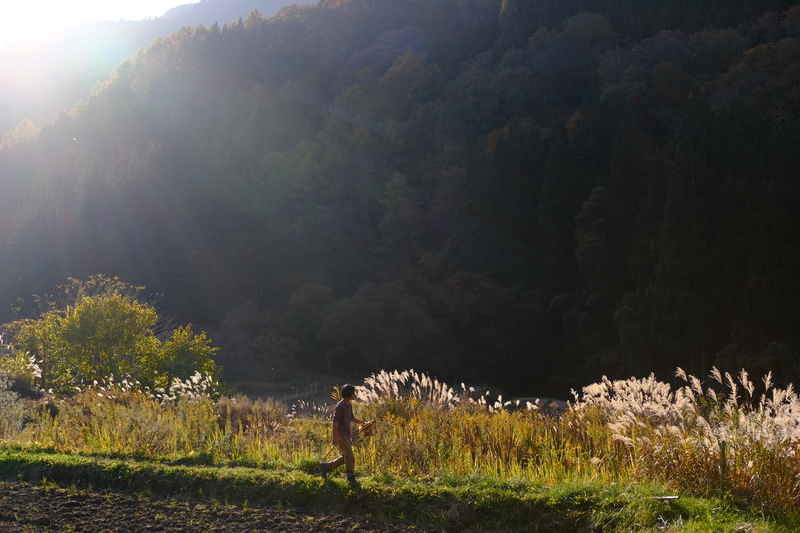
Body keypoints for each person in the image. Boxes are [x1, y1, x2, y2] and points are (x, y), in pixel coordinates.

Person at [319, 384, 368, 487]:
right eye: (353, 393)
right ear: (349, 394)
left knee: (345, 456)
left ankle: (326, 466)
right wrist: (335, 437)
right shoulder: (340, 406)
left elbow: (351, 417)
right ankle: (350, 476)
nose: (355, 395)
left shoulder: (348, 405)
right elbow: (335, 422)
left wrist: (363, 423)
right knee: (350, 457)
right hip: (341, 435)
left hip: (346, 433)